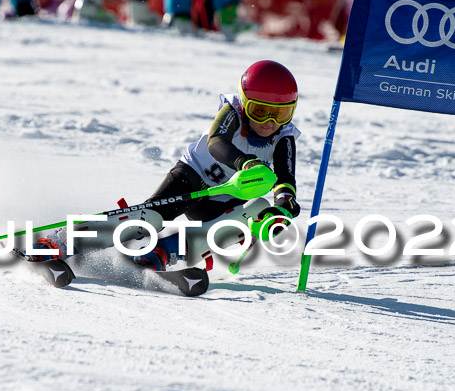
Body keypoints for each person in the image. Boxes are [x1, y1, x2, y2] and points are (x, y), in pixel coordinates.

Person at [31, 60, 302, 273]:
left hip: (225, 198)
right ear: (244, 104)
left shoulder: (283, 136)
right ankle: (64, 241)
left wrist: (284, 204)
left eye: (280, 113)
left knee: (259, 211)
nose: (269, 121)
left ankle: (163, 252)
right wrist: (246, 162)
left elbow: (285, 177)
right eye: (259, 110)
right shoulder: (232, 112)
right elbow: (216, 142)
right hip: (193, 177)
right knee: (150, 218)